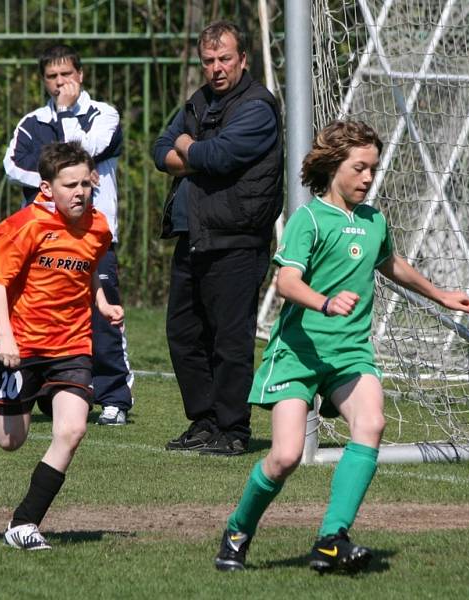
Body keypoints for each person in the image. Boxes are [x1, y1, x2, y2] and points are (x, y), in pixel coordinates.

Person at [213, 121, 469, 572]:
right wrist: (326, 302)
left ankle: (332, 538)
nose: (368, 178)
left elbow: (390, 262)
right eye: (359, 168)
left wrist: (440, 294)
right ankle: (238, 529)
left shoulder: (374, 220)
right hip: (298, 352)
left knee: (371, 423)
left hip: (351, 351)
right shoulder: (309, 219)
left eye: (373, 168)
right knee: (285, 457)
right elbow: (287, 282)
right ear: (334, 166)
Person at [0, 141, 122, 550]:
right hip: (24, 345)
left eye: (86, 184)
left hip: (74, 344)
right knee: (10, 441)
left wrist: (103, 303)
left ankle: (24, 524)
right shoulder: (29, 225)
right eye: (69, 185)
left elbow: (87, 273)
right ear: (46, 188)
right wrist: (5, 336)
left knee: (72, 430)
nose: (80, 192)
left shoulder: (98, 227)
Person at [152, 21, 283, 456]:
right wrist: (196, 152)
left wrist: (189, 148)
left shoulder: (257, 107)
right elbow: (160, 150)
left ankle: (234, 429)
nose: (216, 68)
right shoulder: (198, 102)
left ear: (242, 60)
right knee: (184, 335)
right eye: (208, 61)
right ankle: (204, 422)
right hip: (194, 235)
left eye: (224, 59)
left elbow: (221, 155)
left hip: (237, 239)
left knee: (230, 339)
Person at [0, 42, 132, 426]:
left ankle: (115, 396)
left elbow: (86, 148)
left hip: (92, 237)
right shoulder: (32, 122)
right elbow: (13, 164)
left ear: (80, 75)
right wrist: (51, 180)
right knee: (27, 312)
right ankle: (9, 383)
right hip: (41, 240)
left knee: (103, 318)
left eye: (66, 75)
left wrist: (67, 119)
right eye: (51, 77)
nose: (59, 83)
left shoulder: (103, 114)